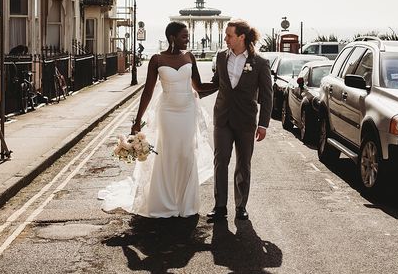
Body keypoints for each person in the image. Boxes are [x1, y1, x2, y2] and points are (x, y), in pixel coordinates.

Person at [98, 22, 213, 218]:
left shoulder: (189, 57)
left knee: (186, 153)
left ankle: (185, 203)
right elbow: (148, 92)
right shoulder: (157, 59)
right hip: (167, 112)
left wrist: (222, 84)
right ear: (172, 38)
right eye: (184, 36)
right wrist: (137, 120)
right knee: (168, 153)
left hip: (187, 111)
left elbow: (199, 87)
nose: (187, 39)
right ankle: (166, 204)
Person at [204, 19, 273, 221]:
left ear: (241, 37)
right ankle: (220, 206)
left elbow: (267, 96)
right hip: (223, 118)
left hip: (246, 121)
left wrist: (263, 124)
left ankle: (241, 206)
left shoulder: (260, 62)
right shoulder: (220, 57)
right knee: (221, 161)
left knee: (243, 164)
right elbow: (216, 83)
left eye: (229, 35)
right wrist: (191, 92)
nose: (225, 38)